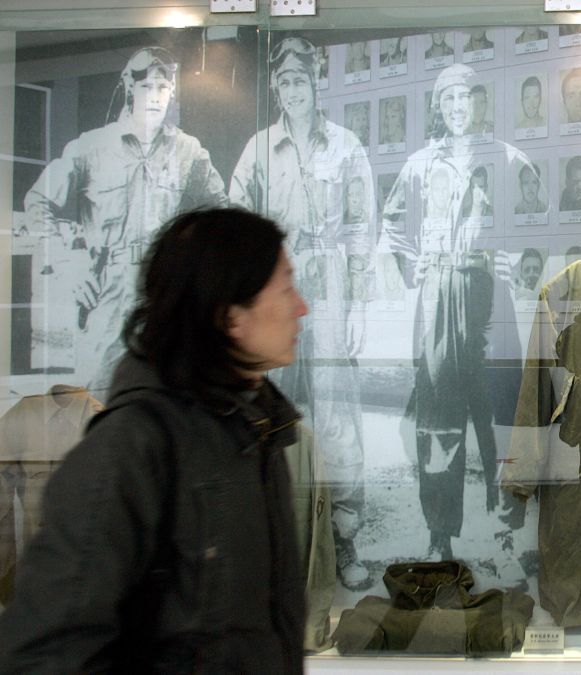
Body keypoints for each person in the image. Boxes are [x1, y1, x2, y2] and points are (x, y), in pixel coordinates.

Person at [0, 208, 308, 672]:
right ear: (229, 315)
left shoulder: (257, 429)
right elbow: (46, 653)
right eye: (285, 287)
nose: (300, 306)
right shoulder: (132, 446)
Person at [229, 36, 375, 591]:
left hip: (333, 280)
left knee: (338, 412)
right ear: (277, 89)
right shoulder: (259, 149)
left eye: (302, 81)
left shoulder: (345, 146)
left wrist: (359, 303)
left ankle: (346, 537)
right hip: (276, 285)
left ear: (317, 85)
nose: (293, 92)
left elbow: (363, 229)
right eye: (284, 83)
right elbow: (237, 218)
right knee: (268, 406)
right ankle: (272, 538)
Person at [382, 63, 534, 560]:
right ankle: (440, 536)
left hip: (489, 293)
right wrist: (412, 266)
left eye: (465, 98)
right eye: (447, 101)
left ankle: (506, 533)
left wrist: (523, 263)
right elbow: (393, 228)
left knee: (499, 416)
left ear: (480, 102)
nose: (456, 108)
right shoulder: (420, 164)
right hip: (439, 295)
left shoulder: (507, 159)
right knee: (439, 419)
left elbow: (544, 215)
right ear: (438, 108)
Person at [22, 46, 228, 400]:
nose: (155, 97)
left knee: (173, 398)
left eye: (163, 88)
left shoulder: (188, 152)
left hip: (169, 292)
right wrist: (69, 264)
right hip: (108, 295)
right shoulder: (92, 148)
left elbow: (222, 215)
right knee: (98, 399)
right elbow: (38, 202)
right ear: (129, 89)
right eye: (146, 87)